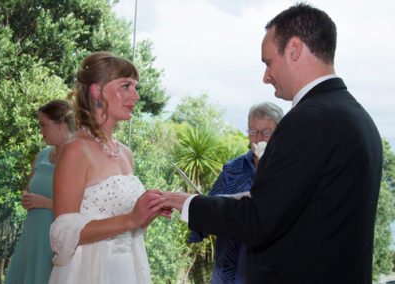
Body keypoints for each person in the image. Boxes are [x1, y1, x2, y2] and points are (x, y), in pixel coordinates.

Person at [162, 3, 383, 283]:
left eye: (268, 62)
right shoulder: (357, 117)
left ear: (294, 49)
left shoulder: (308, 120)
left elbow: (259, 220)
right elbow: (292, 203)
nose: (265, 77)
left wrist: (188, 204)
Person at [48, 51, 168, 284]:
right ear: (97, 90)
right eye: (126, 86)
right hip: (89, 271)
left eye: (135, 86)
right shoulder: (75, 150)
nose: (136, 95)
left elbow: (129, 225)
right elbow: (62, 234)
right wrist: (131, 219)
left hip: (127, 268)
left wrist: (147, 213)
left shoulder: (126, 154)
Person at [188, 102, 283, 284]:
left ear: (280, 133)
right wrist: (197, 204)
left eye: (266, 132)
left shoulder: (288, 172)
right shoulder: (233, 169)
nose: (258, 139)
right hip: (228, 272)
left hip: (270, 272)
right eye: (253, 132)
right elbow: (212, 210)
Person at [4, 100, 74, 284]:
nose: (40, 131)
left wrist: (44, 203)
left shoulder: (78, 158)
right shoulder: (42, 154)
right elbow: (29, 187)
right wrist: (26, 197)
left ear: (61, 123)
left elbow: (85, 206)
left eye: (44, 125)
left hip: (55, 241)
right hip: (31, 236)